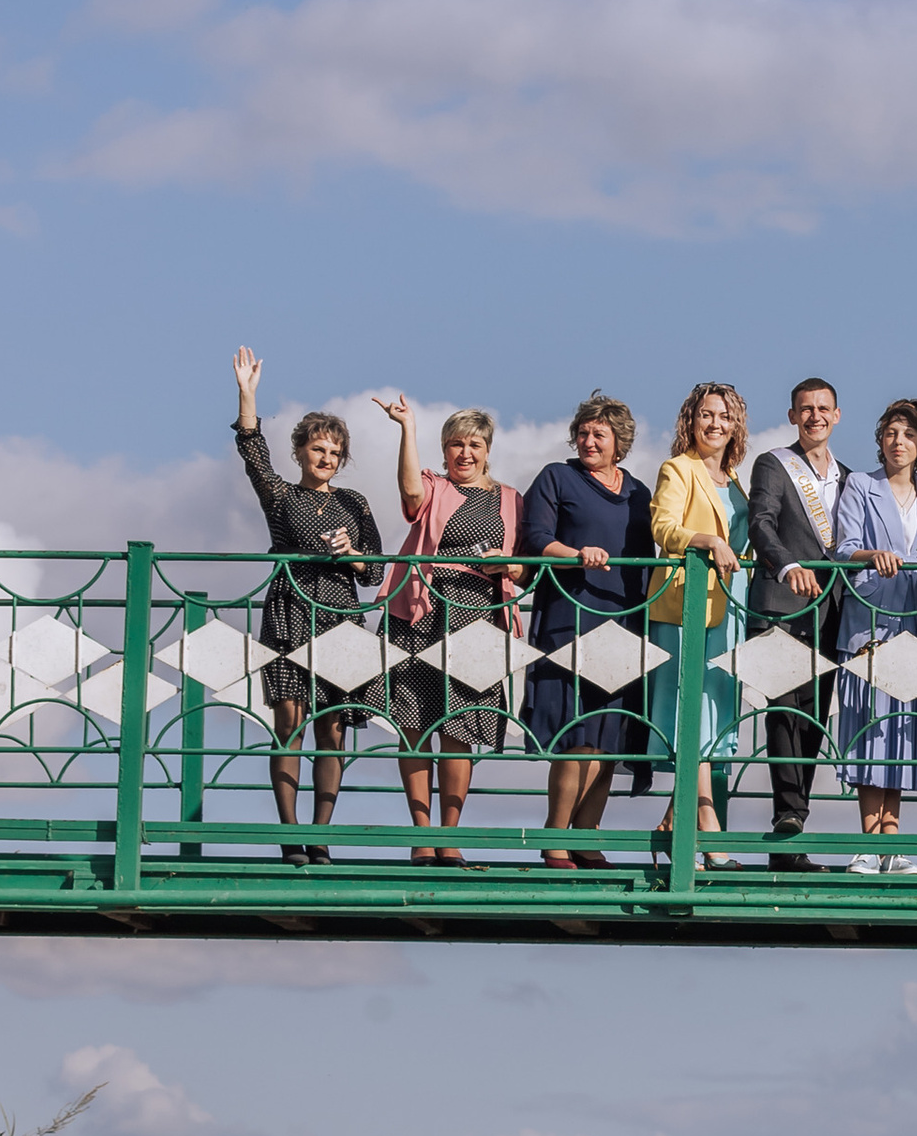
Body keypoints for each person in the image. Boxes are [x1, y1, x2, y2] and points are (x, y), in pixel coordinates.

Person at [230, 347, 383, 856]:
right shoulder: (280, 496)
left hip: (340, 614)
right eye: (318, 449)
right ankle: (290, 833)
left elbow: (378, 571)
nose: (326, 459)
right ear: (299, 452)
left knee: (332, 728)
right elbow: (252, 453)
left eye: (335, 452)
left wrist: (355, 556)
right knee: (289, 724)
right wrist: (248, 396)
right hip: (291, 610)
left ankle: (320, 835)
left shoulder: (354, 502)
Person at [374, 395, 522, 864]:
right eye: (455, 444)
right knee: (415, 726)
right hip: (421, 613)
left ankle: (448, 836)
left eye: (474, 444)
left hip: (477, 617)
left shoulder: (511, 499)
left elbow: (524, 567)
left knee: (459, 727)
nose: (465, 453)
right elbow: (410, 493)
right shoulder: (433, 487)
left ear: (487, 449)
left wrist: (511, 566)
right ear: (443, 451)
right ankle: (421, 835)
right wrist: (407, 428)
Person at [520, 394, 654, 868]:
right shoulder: (557, 477)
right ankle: (555, 834)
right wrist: (574, 553)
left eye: (599, 434)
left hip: (624, 618)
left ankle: (587, 834)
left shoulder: (638, 492)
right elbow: (535, 538)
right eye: (583, 432)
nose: (588, 441)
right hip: (571, 615)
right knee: (575, 732)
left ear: (619, 441)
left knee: (608, 734)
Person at [832, 401, 917, 867]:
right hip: (871, 619)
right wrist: (873, 554)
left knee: (902, 730)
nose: (897, 442)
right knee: (868, 726)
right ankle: (868, 843)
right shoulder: (861, 485)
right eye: (890, 433)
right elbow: (843, 549)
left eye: (907, 435)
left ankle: (892, 842)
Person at [747, 378, 853, 864]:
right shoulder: (773, 463)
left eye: (823, 409)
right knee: (784, 712)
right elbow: (761, 523)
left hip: (831, 612)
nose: (814, 416)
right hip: (783, 603)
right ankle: (785, 815)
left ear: (836, 416)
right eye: (805, 409)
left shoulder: (851, 477)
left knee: (812, 718)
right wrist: (788, 564)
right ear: (792, 416)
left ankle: (793, 834)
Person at [645, 381, 749, 867]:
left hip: (729, 609)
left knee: (716, 707)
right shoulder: (678, 469)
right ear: (692, 420)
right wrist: (704, 538)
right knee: (695, 709)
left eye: (724, 417)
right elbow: (663, 528)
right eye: (707, 415)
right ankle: (708, 822)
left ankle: (674, 816)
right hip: (687, 606)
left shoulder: (736, 480)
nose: (715, 424)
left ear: (735, 425)